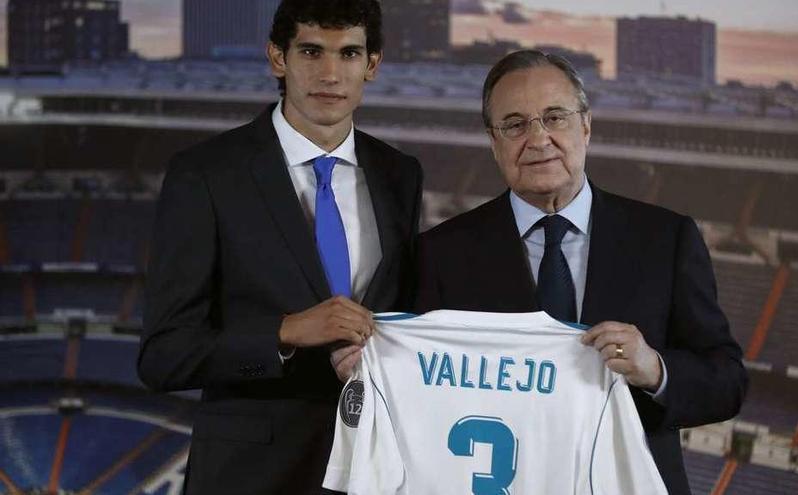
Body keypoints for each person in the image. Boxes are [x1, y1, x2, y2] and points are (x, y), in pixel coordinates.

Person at [414, 50, 747, 494]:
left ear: (585, 126)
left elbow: (727, 382)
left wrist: (655, 369)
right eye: (514, 125)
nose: (537, 139)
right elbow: (421, 394)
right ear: (493, 142)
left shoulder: (666, 239)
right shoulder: (441, 252)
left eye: (555, 117)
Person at [137, 0, 422, 492]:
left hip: (373, 467)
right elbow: (165, 356)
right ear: (277, 58)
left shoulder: (401, 174)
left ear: (372, 64)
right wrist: (286, 332)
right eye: (311, 51)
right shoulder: (205, 174)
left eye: (349, 54)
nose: (330, 73)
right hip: (251, 475)